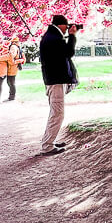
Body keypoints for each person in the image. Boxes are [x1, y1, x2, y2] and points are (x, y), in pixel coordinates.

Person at [39, 14, 77, 155]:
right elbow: (69, 52)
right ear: (61, 25)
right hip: (55, 81)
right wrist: (72, 36)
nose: (67, 29)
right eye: (66, 26)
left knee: (55, 112)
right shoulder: (54, 38)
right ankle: (47, 146)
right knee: (57, 114)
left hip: (53, 80)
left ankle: (49, 141)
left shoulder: (50, 36)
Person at [4, 36, 26, 101]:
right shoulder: (17, 47)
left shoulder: (13, 47)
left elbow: (11, 57)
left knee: (10, 82)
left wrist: (13, 62)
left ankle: (12, 96)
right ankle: (11, 95)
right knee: (10, 82)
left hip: (12, 67)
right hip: (13, 67)